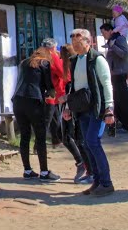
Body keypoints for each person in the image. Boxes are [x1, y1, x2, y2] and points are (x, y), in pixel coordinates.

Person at [63, 28, 116, 197]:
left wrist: (109, 107)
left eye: (77, 43)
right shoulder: (75, 60)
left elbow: (107, 83)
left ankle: (106, 183)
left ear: (87, 41)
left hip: (96, 107)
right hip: (82, 108)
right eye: (73, 43)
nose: (74, 46)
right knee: (86, 143)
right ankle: (97, 181)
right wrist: (68, 106)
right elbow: (73, 86)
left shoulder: (97, 59)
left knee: (93, 141)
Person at [13, 46, 60, 180]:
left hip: (17, 100)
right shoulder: (44, 63)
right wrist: (51, 94)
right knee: (40, 135)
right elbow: (49, 85)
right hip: (33, 101)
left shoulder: (24, 63)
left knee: (25, 135)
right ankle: (44, 172)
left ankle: (27, 170)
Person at [58, 45, 92, 183]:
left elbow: (72, 90)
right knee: (73, 137)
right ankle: (85, 166)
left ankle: (87, 168)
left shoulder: (73, 66)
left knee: (80, 139)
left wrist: (67, 106)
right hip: (71, 105)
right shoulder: (71, 66)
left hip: (75, 106)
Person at [101, 13, 128, 133]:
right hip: (114, 74)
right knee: (116, 100)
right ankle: (120, 122)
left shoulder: (119, 39)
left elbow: (124, 54)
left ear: (110, 31)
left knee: (123, 100)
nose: (102, 35)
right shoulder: (111, 40)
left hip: (120, 73)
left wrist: (113, 46)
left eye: (104, 32)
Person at [42, 38, 64, 147]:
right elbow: (61, 72)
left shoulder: (40, 56)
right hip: (51, 92)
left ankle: (56, 139)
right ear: (54, 47)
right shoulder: (53, 57)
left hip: (45, 91)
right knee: (47, 119)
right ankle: (38, 145)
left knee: (55, 116)